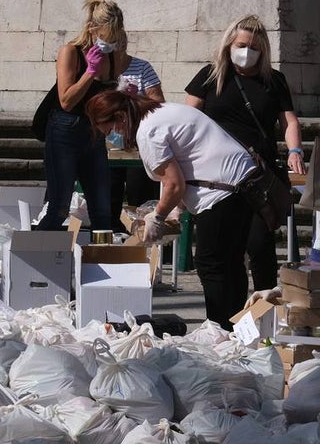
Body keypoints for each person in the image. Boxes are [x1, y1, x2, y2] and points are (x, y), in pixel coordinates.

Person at [84, 90, 257, 329]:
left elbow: (174, 183)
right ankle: (235, 327)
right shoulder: (161, 113)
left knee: (211, 263)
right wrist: (178, 208)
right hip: (238, 185)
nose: (114, 136)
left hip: (223, 191)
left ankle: (222, 328)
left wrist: (158, 216)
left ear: (121, 117)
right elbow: (189, 163)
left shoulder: (148, 131)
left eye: (111, 129)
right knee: (229, 262)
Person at [185, 15, 305, 291]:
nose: (246, 52)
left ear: (263, 51)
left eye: (254, 47)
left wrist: (295, 150)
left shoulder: (273, 80)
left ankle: (264, 309)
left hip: (257, 177)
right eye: (240, 45)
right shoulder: (210, 76)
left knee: (260, 246)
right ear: (229, 44)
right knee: (220, 251)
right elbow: (187, 118)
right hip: (216, 178)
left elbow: (289, 121)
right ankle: (226, 317)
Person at [36, 0, 120, 234]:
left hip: (94, 135)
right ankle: (36, 259)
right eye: (107, 37)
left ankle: (102, 266)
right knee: (59, 207)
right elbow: (66, 100)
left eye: (115, 38)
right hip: (64, 130)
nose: (111, 43)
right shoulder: (70, 52)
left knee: (103, 211)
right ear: (93, 29)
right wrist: (89, 72)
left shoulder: (111, 56)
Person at [108, 31, 164, 231]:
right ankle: (110, 238)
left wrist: (135, 100)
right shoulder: (100, 70)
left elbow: (158, 103)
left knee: (140, 192)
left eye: (118, 47)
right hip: (108, 143)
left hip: (138, 144)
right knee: (107, 196)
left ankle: (142, 240)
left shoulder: (142, 67)